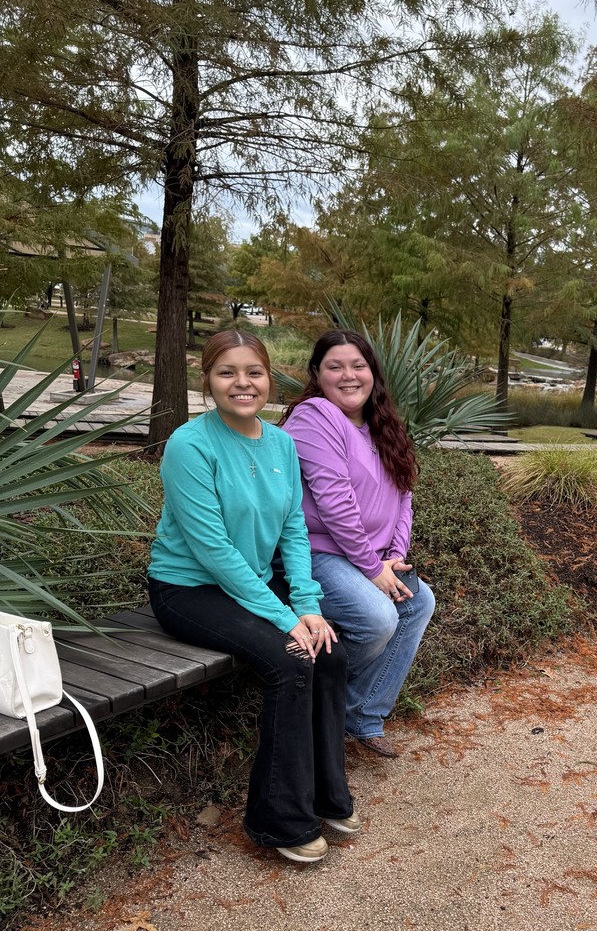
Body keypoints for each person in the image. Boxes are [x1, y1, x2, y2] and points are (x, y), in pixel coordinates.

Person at [148, 330, 360, 864]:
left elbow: (293, 530)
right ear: (207, 381)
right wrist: (285, 619)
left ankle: (326, 795)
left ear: (269, 379)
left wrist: (306, 605)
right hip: (188, 589)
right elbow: (213, 550)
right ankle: (278, 820)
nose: (242, 383)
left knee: (330, 653)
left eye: (254, 372)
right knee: (290, 660)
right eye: (227, 372)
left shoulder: (281, 443)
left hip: (253, 584)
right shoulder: (189, 446)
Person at [282, 329, 435, 759]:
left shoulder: (383, 426)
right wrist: (372, 568)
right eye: (335, 367)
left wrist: (394, 555)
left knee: (419, 602)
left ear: (373, 373)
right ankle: (325, 704)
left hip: (368, 558)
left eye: (358, 366)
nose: (348, 375)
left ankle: (361, 714)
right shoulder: (315, 417)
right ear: (317, 374)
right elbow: (334, 503)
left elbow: (404, 496)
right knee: (378, 617)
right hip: (318, 554)